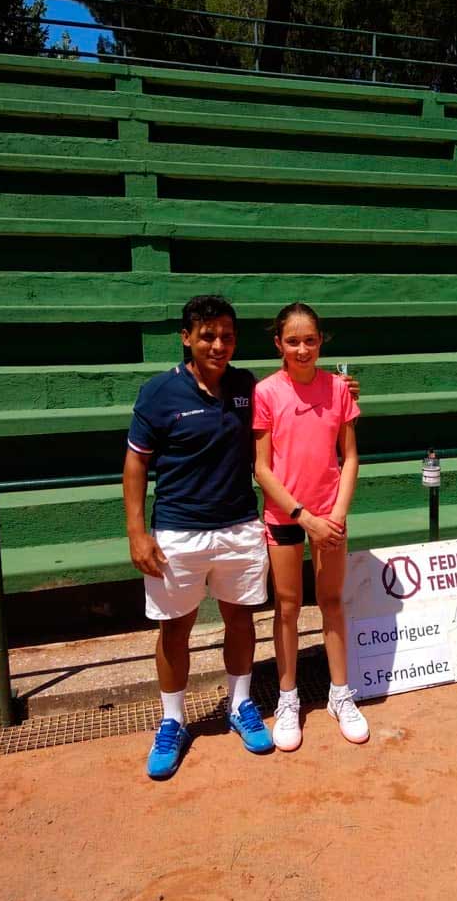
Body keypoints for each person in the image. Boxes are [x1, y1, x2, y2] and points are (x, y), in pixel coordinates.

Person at [123, 295, 272, 779]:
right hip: (177, 534)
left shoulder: (247, 385)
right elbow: (136, 463)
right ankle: (172, 721)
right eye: (207, 335)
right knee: (174, 629)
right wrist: (137, 533)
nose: (218, 344)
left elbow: (292, 400)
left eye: (227, 336)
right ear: (186, 338)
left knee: (241, 620)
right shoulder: (158, 392)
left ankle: (240, 704)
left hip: (239, 528)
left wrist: (340, 388)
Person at [253, 302, 369, 751]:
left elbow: (350, 457)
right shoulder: (266, 392)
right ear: (278, 344)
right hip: (287, 516)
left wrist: (336, 514)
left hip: (331, 514)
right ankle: (288, 699)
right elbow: (262, 468)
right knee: (287, 606)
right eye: (293, 341)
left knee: (331, 601)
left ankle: (340, 694)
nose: (302, 349)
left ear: (321, 342)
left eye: (310, 340)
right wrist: (304, 517)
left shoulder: (339, 388)